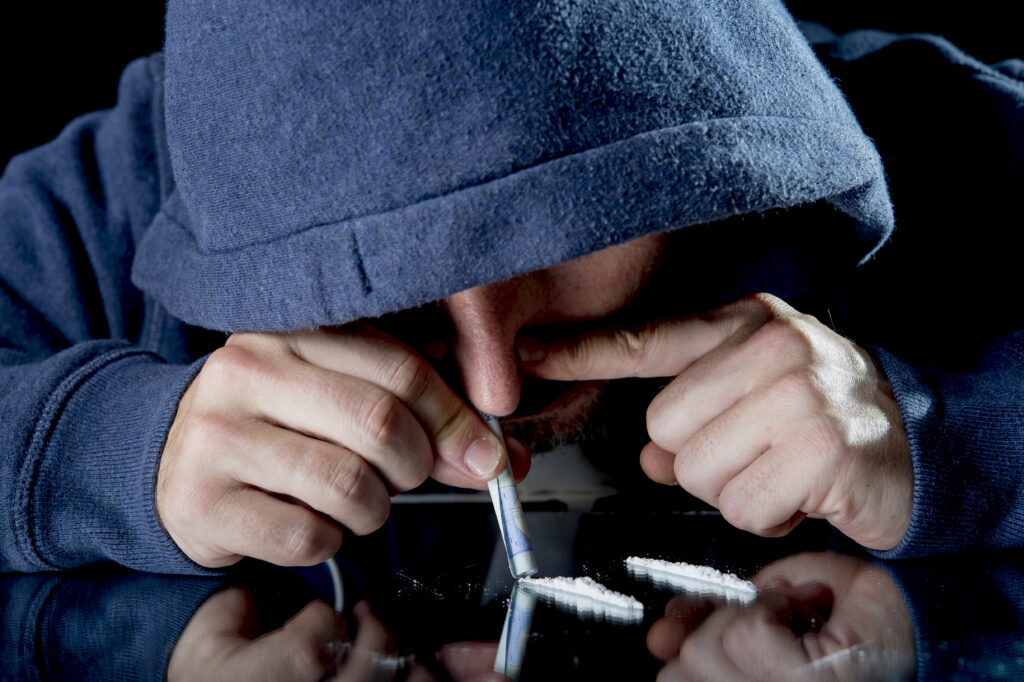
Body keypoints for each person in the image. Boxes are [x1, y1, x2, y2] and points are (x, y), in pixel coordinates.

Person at [1, 0, 1021, 575]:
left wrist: (952, 434)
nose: (496, 391)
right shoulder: (114, 197)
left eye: (560, 235)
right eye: (389, 284)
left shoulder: (964, 144)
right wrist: (102, 444)